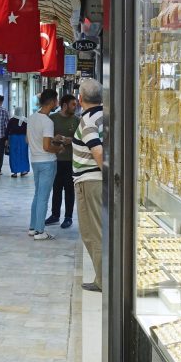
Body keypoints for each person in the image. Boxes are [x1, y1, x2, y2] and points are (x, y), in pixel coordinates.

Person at [73, 77, 104, 291]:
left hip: (91, 182)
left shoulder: (88, 120)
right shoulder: (107, 115)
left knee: (93, 232)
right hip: (98, 181)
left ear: (80, 98)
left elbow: (98, 151)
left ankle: (103, 280)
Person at [26, 88, 64, 240]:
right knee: (43, 197)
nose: (57, 103)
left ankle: (33, 227)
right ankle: (40, 232)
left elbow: (28, 140)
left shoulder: (32, 118)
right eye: (56, 100)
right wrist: (58, 148)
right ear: (52, 101)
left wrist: (52, 138)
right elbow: (47, 147)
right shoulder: (48, 121)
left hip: (35, 161)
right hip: (47, 162)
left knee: (37, 195)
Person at [45, 93, 78, 229]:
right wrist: (54, 138)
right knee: (56, 188)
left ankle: (68, 217)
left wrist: (73, 140)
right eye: (73, 104)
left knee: (69, 189)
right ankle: (55, 215)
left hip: (71, 161)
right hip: (55, 160)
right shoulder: (52, 119)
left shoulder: (77, 121)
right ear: (64, 105)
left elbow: (83, 140)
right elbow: (45, 138)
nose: (75, 107)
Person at [6, 107, 29, 178]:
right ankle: (23, 171)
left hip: (13, 138)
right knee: (23, 154)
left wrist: (6, 140)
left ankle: (15, 172)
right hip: (23, 139)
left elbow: (7, 130)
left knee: (13, 154)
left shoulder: (12, 120)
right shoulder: (25, 120)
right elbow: (29, 130)